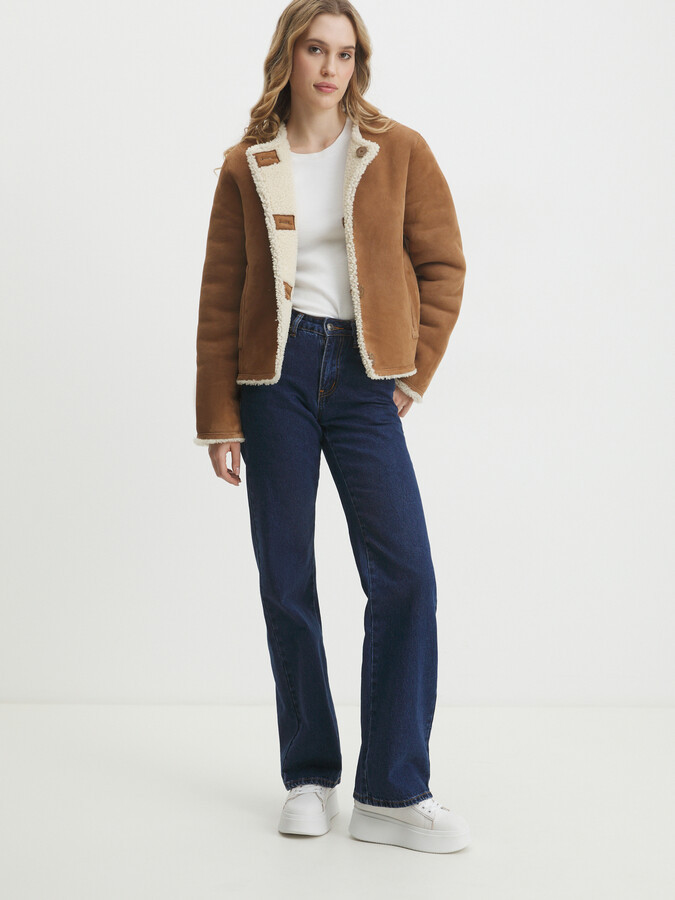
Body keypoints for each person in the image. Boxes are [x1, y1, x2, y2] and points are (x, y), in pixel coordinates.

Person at [194, 0, 469, 854]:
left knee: (405, 576)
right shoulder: (248, 163)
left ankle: (391, 790)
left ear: (358, 63)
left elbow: (443, 265)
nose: (329, 68)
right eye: (316, 50)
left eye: (344, 54)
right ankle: (309, 776)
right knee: (287, 580)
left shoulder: (395, 150)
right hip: (272, 380)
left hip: (361, 377)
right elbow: (220, 294)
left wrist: (410, 371)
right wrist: (219, 418)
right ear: (290, 55)